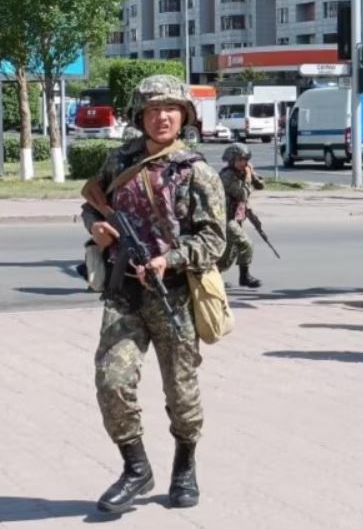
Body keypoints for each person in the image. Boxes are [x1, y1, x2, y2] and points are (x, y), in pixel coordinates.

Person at [81, 75, 226, 513]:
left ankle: (185, 466)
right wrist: (97, 229)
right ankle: (136, 467)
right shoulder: (119, 160)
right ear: (139, 116)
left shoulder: (196, 171)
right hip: (123, 293)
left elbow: (216, 240)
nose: (161, 117)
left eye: (170, 109)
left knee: (181, 394)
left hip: (174, 295)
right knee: (112, 380)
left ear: (184, 115)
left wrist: (172, 259)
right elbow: (91, 203)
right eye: (152, 110)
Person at [217, 143, 265, 289]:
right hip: (224, 218)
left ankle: (215, 277)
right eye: (240, 160)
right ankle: (244, 277)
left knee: (228, 253)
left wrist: (252, 174)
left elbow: (261, 185)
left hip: (235, 217)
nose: (244, 163)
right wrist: (248, 177)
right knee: (246, 244)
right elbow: (243, 194)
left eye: (246, 159)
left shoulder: (241, 173)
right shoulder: (227, 176)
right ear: (232, 160)